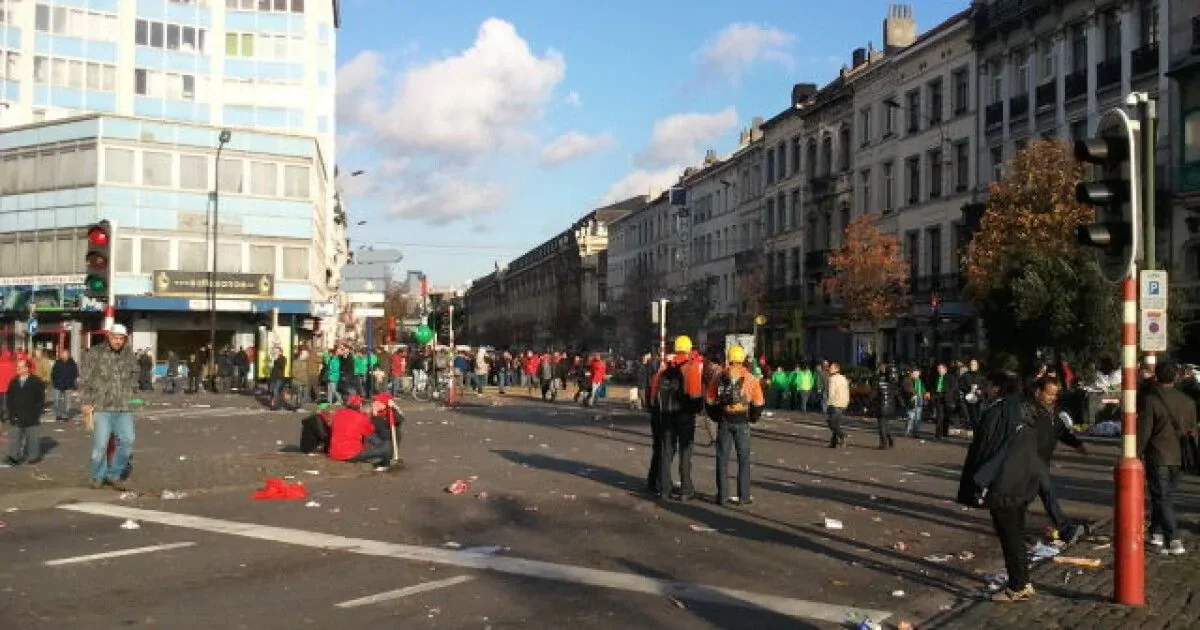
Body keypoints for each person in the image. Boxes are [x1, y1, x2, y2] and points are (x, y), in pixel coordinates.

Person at [985, 377, 1055, 602]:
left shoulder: (1002, 414)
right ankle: (1022, 580)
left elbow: (987, 449)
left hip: (1006, 483)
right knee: (1015, 530)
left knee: (1010, 534)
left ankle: (1018, 584)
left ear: (999, 388)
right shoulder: (1041, 415)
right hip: (1026, 481)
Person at [1138, 361, 1196, 556]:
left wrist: (1135, 453)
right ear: (1176, 378)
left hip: (1158, 454)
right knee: (1165, 497)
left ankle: (1173, 539)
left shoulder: (1151, 400)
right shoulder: (1188, 401)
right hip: (1180, 456)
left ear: (1156, 376)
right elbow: (1192, 430)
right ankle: (1155, 533)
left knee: (1161, 497)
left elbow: (1144, 431)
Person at [80, 324, 139, 491]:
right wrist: (86, 402)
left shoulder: (129, 354)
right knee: (100, 446)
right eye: (115, 338)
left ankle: (114, 474)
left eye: (121, 339)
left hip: (123, 406)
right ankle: (97, 476)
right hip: (102, 406)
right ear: (109, 336)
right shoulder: (96, 353)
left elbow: (135, 372)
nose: (118, 342)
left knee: (127, 442)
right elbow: (85, 379)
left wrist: (132, 387)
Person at [706, 345, 765, 506]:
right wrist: (752, 418)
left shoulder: (719, 377)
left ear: (729, 359)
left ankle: (722, 495)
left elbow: (710, 400)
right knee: (743, 460)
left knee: (722, 458)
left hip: (725, 420)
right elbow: (759, 402)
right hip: (742, 422)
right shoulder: (751, 378)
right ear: (743, 360)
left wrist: (717, 417)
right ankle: (744, 495)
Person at [648, 335, 704, 501]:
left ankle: (664, 489)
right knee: (685, 453)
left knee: (666, 452)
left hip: (666, 416)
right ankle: (686, 489)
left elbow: (653, 394)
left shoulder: (664, 369)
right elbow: (695, 394)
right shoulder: (691, 367)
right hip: (685, 415)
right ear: (688, 349)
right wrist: (697, 409)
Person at [327, 395, 392, 471]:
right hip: (350, 454)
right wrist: (373, 415)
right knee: (386, 445)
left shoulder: (338, 413)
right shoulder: (361, 418)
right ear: (360, 405)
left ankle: (379, 455)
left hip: (334, 453)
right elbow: (370, 432)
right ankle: (385, 465)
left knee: (369, 438)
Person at [5, 359, 46, 465]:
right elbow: (9, 398)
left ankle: (33, 456)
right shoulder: (14, 381)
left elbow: (40, 399)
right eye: (17, 366)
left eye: (20, 366)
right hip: (16, 414)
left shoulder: (36, 381)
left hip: (31, 414)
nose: (17, 369)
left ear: (27, 368)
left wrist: (37, 412)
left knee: (32, 437)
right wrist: (11, 413)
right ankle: (14, 457)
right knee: (15, 437)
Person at [50, 348, 79, 422]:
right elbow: (53, 373)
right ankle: (58, 414)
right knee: (56, 400)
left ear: (68, 355)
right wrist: (54, 381)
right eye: (63, 354)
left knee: (67, 401)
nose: (64, 356)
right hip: (57, 384)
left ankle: (65, 415)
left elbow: (75, 373)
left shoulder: (72, 363)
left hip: (68, 385)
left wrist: (72, 381)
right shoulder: (57, 362)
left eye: (65, 354)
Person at [826, 362, 850, 448]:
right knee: (837, 423)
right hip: (843, 403)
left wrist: (828, 403)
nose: (829, 369)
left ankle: (842, 435)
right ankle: (834, 442)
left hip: (835, 403)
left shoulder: (832, 379)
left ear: (837, 369)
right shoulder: (844, 378)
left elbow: (831, 393)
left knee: (831, 423)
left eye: (831, 368)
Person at [874, 362, 895, 449]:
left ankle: (884, 443)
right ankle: (890, 439)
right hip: (890, 406)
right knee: (886, 424)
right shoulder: (891, 382)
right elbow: (895, 393)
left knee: (881, 425)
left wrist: (867, 404)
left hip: (881, 405)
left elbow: (873, 394)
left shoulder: (878, 381)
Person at [903, 367, 927, 438]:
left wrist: (925, 396)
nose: (916, 374)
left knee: (918, 417)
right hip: (912, 399)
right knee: (910, 416)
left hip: (919, 399)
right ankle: (908, 431)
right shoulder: (909, 380)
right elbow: (908, 389)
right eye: (914, 373)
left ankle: (916, 432)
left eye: (917, 373)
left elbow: (923, 390)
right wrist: (913, 394)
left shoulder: (920, 381)